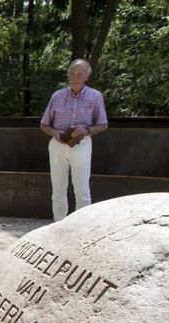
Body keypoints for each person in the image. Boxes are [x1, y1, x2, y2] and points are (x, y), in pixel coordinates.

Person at [39, 59, 108, 222]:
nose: (75, 78)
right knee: (58, 189)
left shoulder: (95, 96)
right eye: (71, 74)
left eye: (79, 74)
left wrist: (86, 130)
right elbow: (44, 124)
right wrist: (54, 133)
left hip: (81, 144)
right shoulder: (57, 96)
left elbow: (103, 124)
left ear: (86, 77)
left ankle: (81, 227)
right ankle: (58, 225)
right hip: (58, 145)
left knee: (82, 190)